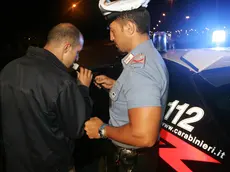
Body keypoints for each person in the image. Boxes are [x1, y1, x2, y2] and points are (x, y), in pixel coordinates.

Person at [84, 0, 169, 171]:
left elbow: (144, 136)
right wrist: (116, 85)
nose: (111, 37)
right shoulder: (147, 56)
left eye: (113, 31)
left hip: (131, 164)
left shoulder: (140, 70)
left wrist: (102, 130)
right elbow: (141, 91)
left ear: (129, 28)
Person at [0, 23, 93, 172]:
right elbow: (77, 128)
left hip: (15, 164)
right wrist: (83, 89)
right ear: (67, 47)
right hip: (53, 166)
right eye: (77, 52)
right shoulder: (62, 81)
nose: (77, 58)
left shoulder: (8, 69)